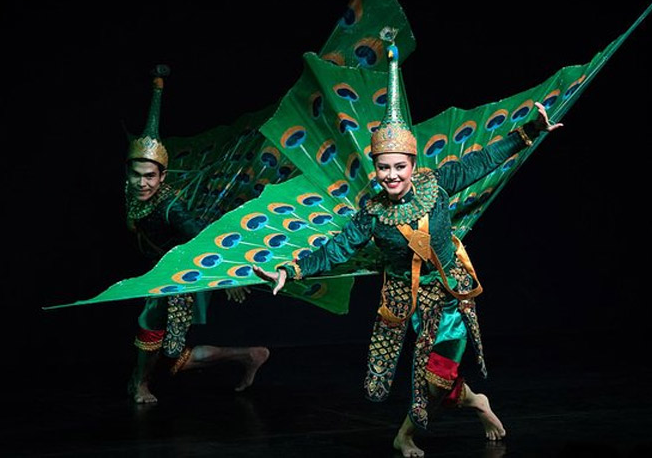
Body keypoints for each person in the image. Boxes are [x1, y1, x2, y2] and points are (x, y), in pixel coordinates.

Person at [253, 37, 562, 456]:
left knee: (435, 374)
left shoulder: (435, 186)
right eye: (384, 167)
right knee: (408, 377)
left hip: (450, 290)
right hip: (404, 296)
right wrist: (292, 269)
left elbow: (480, 161)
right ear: (376, 169)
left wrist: (527, 132)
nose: (392, 175)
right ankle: (475, 402)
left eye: (400, 166)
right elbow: (337, 247)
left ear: (414, 166)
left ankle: (405, 435)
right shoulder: (372, 213)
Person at [126, 66, 270, 404]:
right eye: (136, 175)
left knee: (158, 334)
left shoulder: (172, 208)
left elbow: (205, 239)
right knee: (168, 352)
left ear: (162, 178)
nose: (142, 183)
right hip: (157, 271)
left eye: (150, 176)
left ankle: (140, 384)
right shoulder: (131, 192)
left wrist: (230, 277)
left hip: (183, 274)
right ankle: (249, 355)